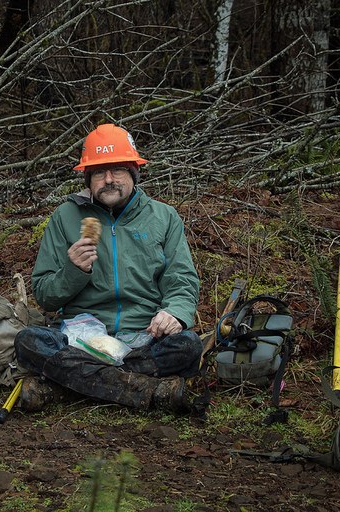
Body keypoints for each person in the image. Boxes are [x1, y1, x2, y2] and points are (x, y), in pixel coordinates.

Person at [15, 123, 202, 414]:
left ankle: (72, 386)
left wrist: (175, 312)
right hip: (82, 338)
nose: (109, 180)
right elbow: (45, 296)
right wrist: (73, 270)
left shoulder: (163, 217)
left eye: (117, 170)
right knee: (29, 342)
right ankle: (145, 388)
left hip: (144, 336)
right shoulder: (66, 216)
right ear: (88, 179)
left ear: (133, 173)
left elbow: (181, 279)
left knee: (188, 346)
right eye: (99, 172)